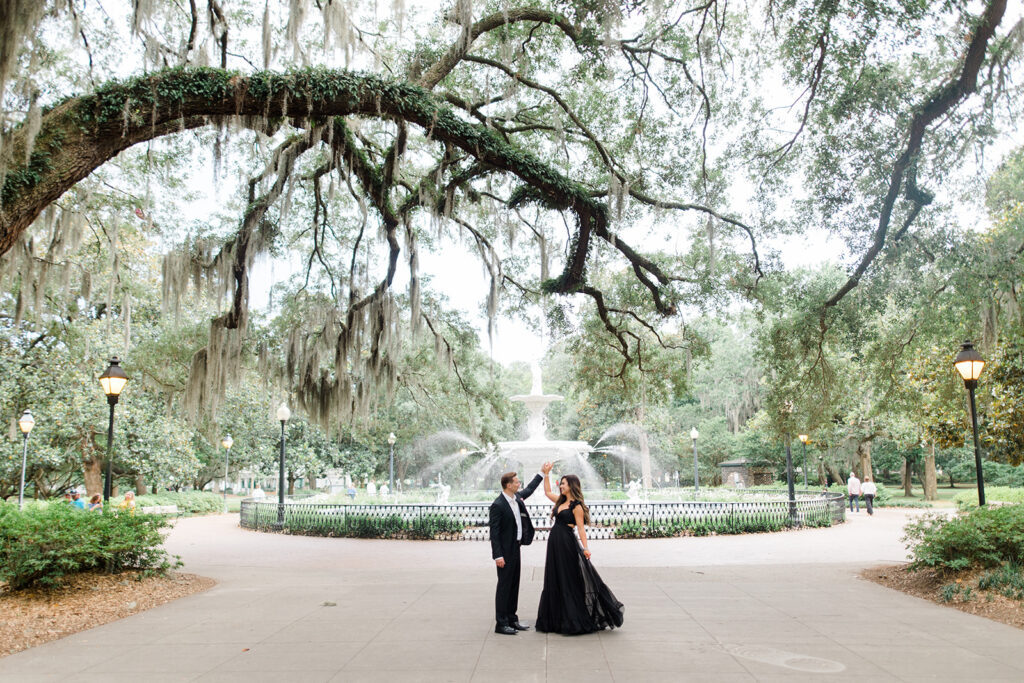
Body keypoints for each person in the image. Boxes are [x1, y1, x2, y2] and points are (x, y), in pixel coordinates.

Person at [535, 473, 624, 635]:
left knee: (568, 578)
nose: (561, 486)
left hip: (567, 543)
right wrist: (546, 474)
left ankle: (573, 618)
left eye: (563, 484)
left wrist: (586, 547)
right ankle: (557, 619)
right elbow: (547, 492)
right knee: (554, 577)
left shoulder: (576, 506)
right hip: (554, 543)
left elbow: (581, 528)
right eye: (561, 484)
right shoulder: (560, 501)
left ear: (571, 486)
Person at [489, 463, 549, 635]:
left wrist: (542, 473)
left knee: (514, 585)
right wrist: (498, 555)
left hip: (516, 548)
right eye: (516, 482)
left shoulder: (516, 499)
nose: (519, 484)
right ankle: (501, 623)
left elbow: (530, 489)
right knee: (504, 587)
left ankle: (512, 619)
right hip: (505, 552)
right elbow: (494, 533)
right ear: (508, 485)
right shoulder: (498, 505)